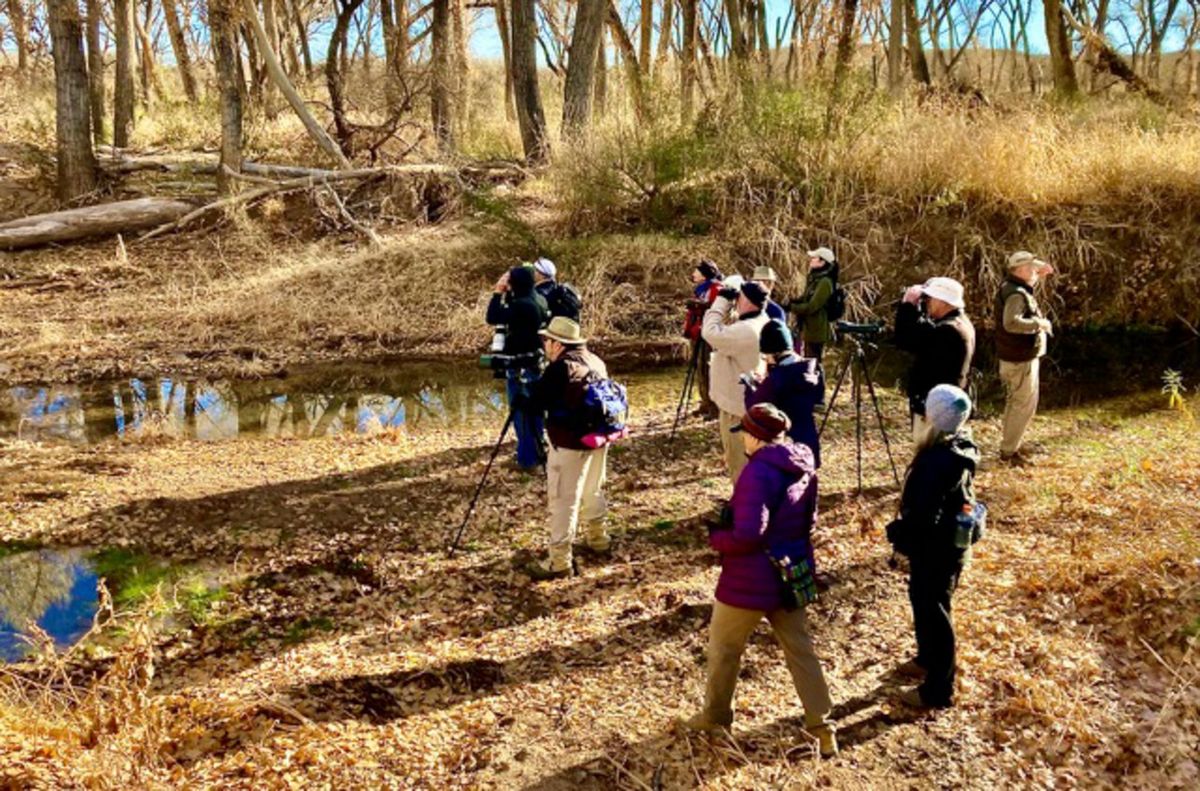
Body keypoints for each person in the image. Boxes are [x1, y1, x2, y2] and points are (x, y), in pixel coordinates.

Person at [680, 404, 837, 758]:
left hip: (748, 580)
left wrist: (717, 538)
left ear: (754, 436)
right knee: (801, 652)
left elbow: (749, 534)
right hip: (790, 573)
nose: (743, 443)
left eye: (745, 436)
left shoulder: (757, 473)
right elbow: (809, 522)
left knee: (723, 649)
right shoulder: (804, 466)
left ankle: (715, 716)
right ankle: (822, 729)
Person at [886, 384, 979, 709]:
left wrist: (899, 534)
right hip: (946, 546)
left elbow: (925, 518)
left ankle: (938, 690)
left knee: (935, 611)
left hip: (937, 550)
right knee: (922, 600)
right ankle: (927, 658)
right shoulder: (958, 446)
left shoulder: (936, 463)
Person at [522, 317, 612, 580]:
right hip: (598, 438)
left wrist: (522, 398)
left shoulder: (561, 368)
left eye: (546, 340)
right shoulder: (595, 360)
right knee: (592, 490)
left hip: (570, 444)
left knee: (563, 500)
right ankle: (599, 539)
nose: (544, 345)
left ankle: (559, 561)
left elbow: (536, 405)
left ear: (556, 343)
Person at [702, 278, 770, 487]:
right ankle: (749, 503)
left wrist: (721, 302)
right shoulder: (761, 320)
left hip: (736, 408)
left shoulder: (746, 331)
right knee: (751, 459)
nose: (736, 300)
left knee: (738, 460)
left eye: (739, 297)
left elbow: (709, 332)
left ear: (748, 301)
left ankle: (743, 508)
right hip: (747, 402)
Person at [894, 277, 976, 447]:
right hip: (947, 404)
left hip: (937, 408)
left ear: (944, 301)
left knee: (928, 452)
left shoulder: (947, 331)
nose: (927, 302)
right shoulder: (960, 323)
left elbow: (905, 339)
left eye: (930, 299)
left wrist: (908, 306)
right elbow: (922, 333)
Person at [486, 266, 549, 470]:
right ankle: (539, 451)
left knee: (521, 413)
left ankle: (527, 459)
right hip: (536, 363)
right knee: (537, 411)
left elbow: (493, 316)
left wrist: (498, 292)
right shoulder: (539, 299)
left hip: (521, 367)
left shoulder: (522, 305)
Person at [995, 251, 1055, 464]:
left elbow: (1031, 273)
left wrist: (1039, 269)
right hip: (1020, 361)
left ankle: (1010, 446)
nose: (1035, 271)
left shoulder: (1012, 287)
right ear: (1019, 271)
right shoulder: (1016, 294)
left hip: (1016, 359)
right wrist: (1041, 324)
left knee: (1017, 404)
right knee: (1022, 406)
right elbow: (1011, 323)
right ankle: (1009, 453)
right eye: (1030, 268)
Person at [743, 320, 823, 468]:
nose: (765, 359)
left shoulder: (777, 379)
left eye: (765, 355)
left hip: (784, 448)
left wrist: (750, 386)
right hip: (808, 440)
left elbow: (755, 408)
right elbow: (818, 399)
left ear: (774, 353)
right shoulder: (810, 369)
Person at [683, 260, 724, 419]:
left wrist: (701, 306)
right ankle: (705, 402)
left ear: (705, 274)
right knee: (699, 369)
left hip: (707, 335)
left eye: (697, 271)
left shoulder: (716, 288)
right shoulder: (701, 289)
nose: (693, 274)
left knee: (709, 369)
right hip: (697, 333)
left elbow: (717, 310)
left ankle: (714, 406)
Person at [788, 247, 839, 363]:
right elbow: (805, 299)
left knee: (813, 365)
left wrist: (791, 308)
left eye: (814, 258)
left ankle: (818, 381)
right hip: (809, 329)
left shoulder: (825, 282)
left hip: (816, 332)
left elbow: (812, 307)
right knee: (808, 363)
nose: (811, 260)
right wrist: (793, 302)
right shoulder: (815, 279)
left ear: (822, 262)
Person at [532, 257, 583, 322]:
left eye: (535, 270)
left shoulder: (541, 292)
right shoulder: (555, 287)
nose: (532, 272)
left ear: (542, 275)